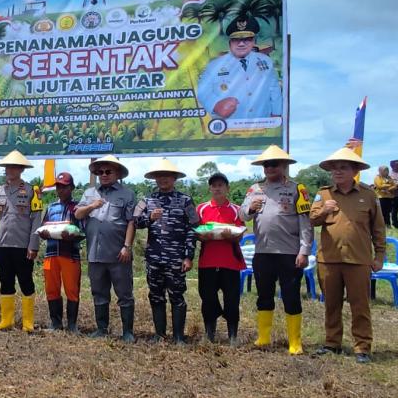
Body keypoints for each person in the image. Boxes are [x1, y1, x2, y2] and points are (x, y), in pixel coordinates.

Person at [310, 148, 386, 364]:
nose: (338, 171)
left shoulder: (368, 195)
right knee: (331, 304)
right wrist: (324, 210)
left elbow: (378, 229)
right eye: (335, 168)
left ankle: (362, 347)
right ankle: (332, 343)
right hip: (329, 259)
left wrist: (379, 256)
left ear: (355, 171)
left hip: (358, 260)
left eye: (344, 167)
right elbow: (312, 219)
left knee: (360, 305)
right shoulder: (324, 194)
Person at [240, 145, 313, 355]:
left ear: (284, 166)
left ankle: (295, 342)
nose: (270, 168)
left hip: (289, 253)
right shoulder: (255, 189)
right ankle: (263, 337)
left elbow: (305, 223)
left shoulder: (297, 189)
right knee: (264, 294)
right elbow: (243, 216)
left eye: (274, 164)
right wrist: (249, 208)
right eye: (266, 164)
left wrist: (304, 250)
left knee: (291, 295)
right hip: (263, 252)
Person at [134, 158, 199, 344]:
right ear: (154, 179)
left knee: (177, 295)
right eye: (159, 176)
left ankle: (179, 337)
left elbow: (193, 228)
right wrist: (149, 218)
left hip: (176, 258)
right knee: (155, 295)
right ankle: (159, 335)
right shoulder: (147, 200)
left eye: (167, 176)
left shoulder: (186, 200)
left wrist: (188, 256)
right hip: (154, 258)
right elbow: (135, 222)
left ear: (174, 178)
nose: (163, 179)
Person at [75, 155, 136, 343]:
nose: (104, 175)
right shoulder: (89, 193)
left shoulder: (127, 194)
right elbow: (78, 213)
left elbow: (131, 222)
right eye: (100, 172)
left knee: (124, 294)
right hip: (95, 252)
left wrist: (127, 246)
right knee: (99, 292)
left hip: (119, 253)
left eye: (108, 171)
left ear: (117, 173)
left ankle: (127, 331)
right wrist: (92, 205)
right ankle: (102, 329)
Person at [0, 150, 43, 332]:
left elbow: (36, 220)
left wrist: (33, 245)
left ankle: (28, 322)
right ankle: (6, 320)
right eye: (7, 167)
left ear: (21, 169)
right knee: (5, 281)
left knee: (26, 281)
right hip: (3, 244)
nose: (9, 170)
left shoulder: (33, 191)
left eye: (13, 167)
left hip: (23, 245)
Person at [197, 16, 282, 121]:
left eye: (247, 39)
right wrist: (215, 105)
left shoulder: (265, 61)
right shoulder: (214, 65)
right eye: (236, 39)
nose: (241, 44)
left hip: (262, 121)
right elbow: (202, 91)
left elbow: (274, 90)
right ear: (230, 42)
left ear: (253, 41)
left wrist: (277, 115)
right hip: (231, 125)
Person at [195, 172, 246, 345]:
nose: (217, 188)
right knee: (207, 297)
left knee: (232, 300)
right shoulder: (201, 209)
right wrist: (203, 237)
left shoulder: (237, 210)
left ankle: (233, 336)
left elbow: (239, 235)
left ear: (227, 188)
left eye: (221, 185)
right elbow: (195, 232)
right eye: (214, 185)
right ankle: (210, 334)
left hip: (230, 262)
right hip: (207, 261)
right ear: (210, 188)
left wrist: (229, 236)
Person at [38, 172, 83, 333]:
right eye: (58, 186)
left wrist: (72, 237)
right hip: (51, 253)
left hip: (70, 254)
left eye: (64, 186)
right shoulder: (51, 207)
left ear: (71, 188)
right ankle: (55, 323)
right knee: (51, 288)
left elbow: (83, 232)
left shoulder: (77, 208)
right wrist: (42, 234)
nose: (61, 190)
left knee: (72, 289)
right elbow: (44, 226)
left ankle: (72, 324)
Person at [390, 160, 398, 226]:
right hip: (394, 195)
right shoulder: (389, 175)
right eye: (396, 165)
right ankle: (395, 223)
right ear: (392, 166)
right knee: (394, 209)